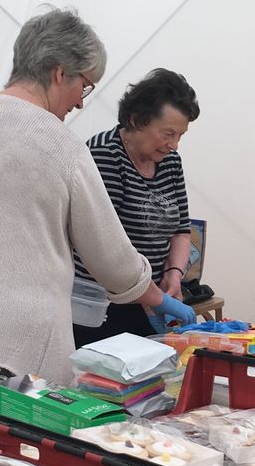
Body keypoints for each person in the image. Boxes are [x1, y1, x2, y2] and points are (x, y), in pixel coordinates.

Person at [0, 7, 196, 418]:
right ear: (60, 72)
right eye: (85, 85)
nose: (81, 103)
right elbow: (113, 262)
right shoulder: (62, 147)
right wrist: (159, 298)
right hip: (18, 353)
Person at [73, 69, 201, 346]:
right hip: (105, 306)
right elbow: (107, 248)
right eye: (168, 133)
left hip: (151, 299)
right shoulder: (104, 155)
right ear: (137, 120)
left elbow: (181, 229)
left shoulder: (170, 161)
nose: (174, 144)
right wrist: (154, 295)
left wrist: (173, 275)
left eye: (180, 135)